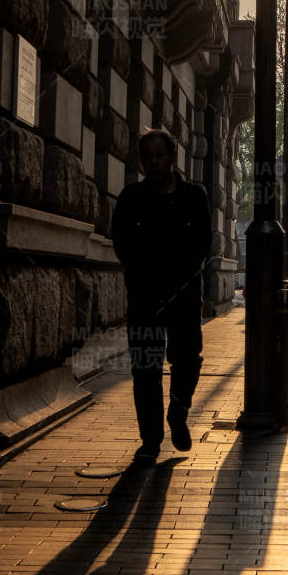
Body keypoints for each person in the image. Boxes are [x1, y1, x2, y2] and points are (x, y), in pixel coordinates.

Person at [111, 128, 212, 463]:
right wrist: (143, 278)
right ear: (141, 161)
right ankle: (150, 440)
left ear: (173, 157)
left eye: (160, 155)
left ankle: (178, 413)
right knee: (145, 369)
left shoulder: (195, 197)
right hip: (144, 298)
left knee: (186, 360)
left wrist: (178, 277)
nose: (154, 162)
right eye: (147, 157)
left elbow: (202, 245)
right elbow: (122, 244)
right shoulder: (131, 199)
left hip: (183, 297)